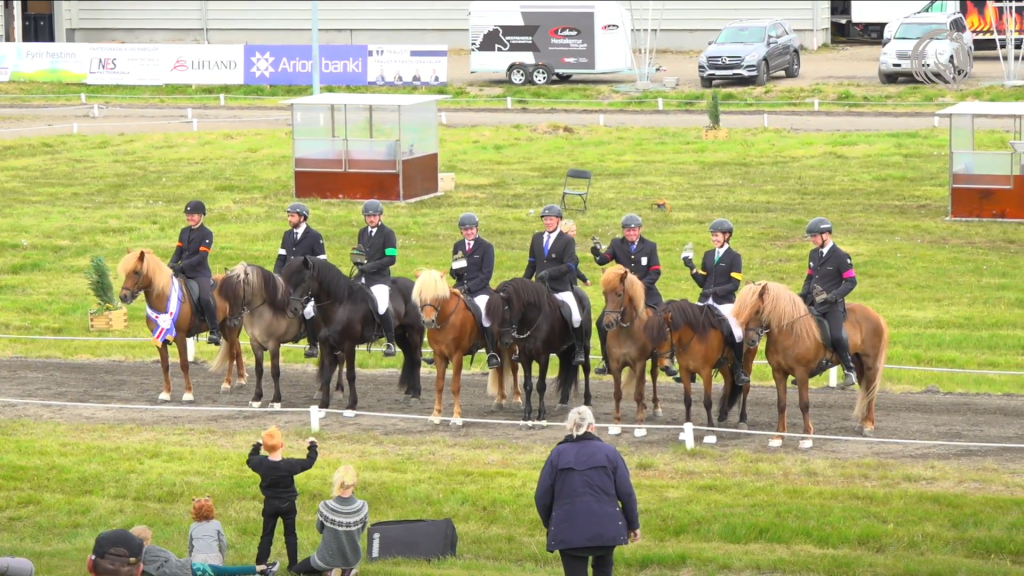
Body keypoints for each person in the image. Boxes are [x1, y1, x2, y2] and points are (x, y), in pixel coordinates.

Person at [534, 406, 640, 576]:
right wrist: (633, 524)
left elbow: (541, 497)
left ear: (570, 426)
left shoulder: (557, 455)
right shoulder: (610, 453)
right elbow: (626, 493)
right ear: (592, 427)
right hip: (606, 529)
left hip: (568, 531)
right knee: (604, 569)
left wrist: (552, 523)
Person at [590, 214, 663, 376]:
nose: (630, 233)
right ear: (623, 231)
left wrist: (640, 286)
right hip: (621, 295)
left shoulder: (650, 246)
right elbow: (604, 259)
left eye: (633, 230)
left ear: (639, 230)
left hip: (646, 291)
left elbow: (655, 271)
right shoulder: (616, 244)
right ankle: (606, 360)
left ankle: (664, 358)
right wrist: (597, 254)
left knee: (662, 319)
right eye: (627, 231)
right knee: (601, 323)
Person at [681, 219, 751, 386]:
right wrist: (691, 267)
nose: (714, 239)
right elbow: (702, 281)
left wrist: (714, 291)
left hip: (724, 302)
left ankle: (738, 369)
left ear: (727, 236)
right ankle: (687, 367)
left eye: (717, 236)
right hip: (705, 300)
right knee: (686, 325)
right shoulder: (708, 255)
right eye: (712, 236)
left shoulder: (734, 257)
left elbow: (734, 285)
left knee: (737, 330)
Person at [246, 426, 319, 572]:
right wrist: (312, 446)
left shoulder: (260, 463)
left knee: (266, 535)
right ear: (282, 445)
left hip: (270, 504)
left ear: (265, 448)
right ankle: (293, 566)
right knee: (291, 535)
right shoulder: (290, 465)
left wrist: (258, 444)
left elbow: (250, 458)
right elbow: (309, 462)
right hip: (288, 504)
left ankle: (260, 565)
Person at [799, 216, 858, 389]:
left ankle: (849, 370)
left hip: (832, 305)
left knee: (836, 335)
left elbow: (851, 282)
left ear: (826, 234)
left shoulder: (840, 257)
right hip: (814, 303)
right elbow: (810, 276)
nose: (812, 240)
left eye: (815, 236)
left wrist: (833, 296)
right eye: (811, 236)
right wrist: (803, 294)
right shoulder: (813, 254)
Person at [524, 204, 586, 366]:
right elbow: (532, 263)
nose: (547, 222)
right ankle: (520, 348)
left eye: (550, 219)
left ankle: (579, 349)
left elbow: (570, 266)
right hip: (539, 288)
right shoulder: (537, 238)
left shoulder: (566, 241)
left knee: (576, 316)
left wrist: (550, 273)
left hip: (560, 287)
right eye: (545, 219)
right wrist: (523, 283)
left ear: (558, 220)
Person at [290, 465, 369, 576]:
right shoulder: (363, 506)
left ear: (336, 481)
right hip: (352, 559)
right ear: (354, 482)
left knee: (296, 571)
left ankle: (329, 572)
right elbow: (361, 530)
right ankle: (347, 572)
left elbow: (320, 529)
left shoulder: (326, 506)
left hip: (326, 558)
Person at [273, 202, 327, 359]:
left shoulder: (315, 237)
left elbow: (322, 262)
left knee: (309, 310)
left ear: (302, 218)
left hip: (306, 284)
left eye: (292, 216)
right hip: (287, 281)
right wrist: (276, 275)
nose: (289, 219)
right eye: (288, 216)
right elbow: (281, 258)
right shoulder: (287, 235)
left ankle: (313, 344)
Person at [450, 212, 501, 369]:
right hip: (460, 288)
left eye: (471, 229)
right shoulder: (458, 246)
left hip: (479, 290)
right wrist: (455, 271)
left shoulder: (486, 247)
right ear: (461, 231)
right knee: (442, 308)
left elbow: (486, 275)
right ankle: (440, 349)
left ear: (476, 229)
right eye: (465, 230)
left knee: (485, 315)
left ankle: (491, 352)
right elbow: (453, 271)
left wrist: (468, 287)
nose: (469, 232)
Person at [168, 200, 220, 346]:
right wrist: (171, 265)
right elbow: (178, 252)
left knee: (204, 297)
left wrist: (182, 265)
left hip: (199, 273)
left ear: (201, 216)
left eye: (192, 215)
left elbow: (202, 257)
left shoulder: (206, 233)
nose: (189, 218)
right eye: (187, 215)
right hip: (182, 272)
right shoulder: (183, 232)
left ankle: (215, 330)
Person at [130, 526, 277, 576]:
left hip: (186, 570)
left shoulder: (131, 560)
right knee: (226, 571)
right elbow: (171, 557)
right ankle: (263, 568)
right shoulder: (151, 550)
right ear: (146, 541)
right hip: (190, 569)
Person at [355, 199, 399, 357]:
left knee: (381, 306)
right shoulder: (362, 232)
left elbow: (391, 259)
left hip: (379, 279)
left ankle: (390, 342)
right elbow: (361, 252)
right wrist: (357, 260)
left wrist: (370, 266)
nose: (371, 218)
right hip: (363, 276)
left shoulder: (388, 233)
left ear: (380, 216)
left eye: (373, 216)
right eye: (368, 216)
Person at [188, 496, 227, 566]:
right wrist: (221, 557)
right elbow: (223, 543)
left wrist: (191, 558)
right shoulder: (217, 524)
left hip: (197, 558)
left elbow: (190, 546)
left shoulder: (193, 526)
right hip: (214, 558)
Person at [559, 220, 591, 288]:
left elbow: (574, 267)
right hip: (564, 285)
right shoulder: (560, 246)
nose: (574, 233)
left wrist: (584, 279)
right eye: (572, 231)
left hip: (572, 285)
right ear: (565, 232)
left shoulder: (570, 244)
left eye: (575, 230)